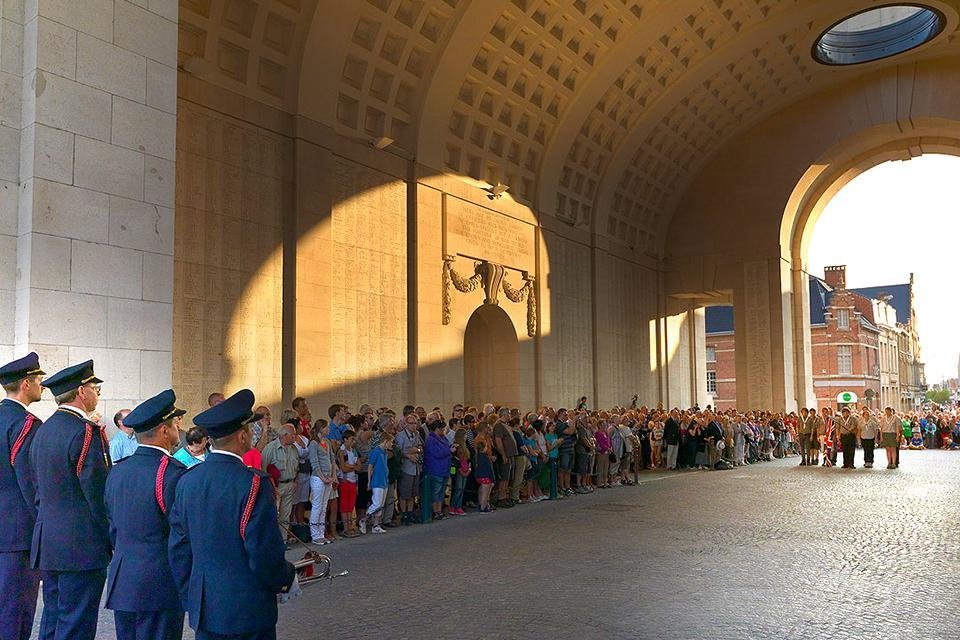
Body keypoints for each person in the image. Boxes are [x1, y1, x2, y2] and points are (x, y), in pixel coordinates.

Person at [169, 389, 297, 640]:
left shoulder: (187, 480)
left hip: (205, 605)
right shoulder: (253, 483)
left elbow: (178, 549)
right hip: (248, 607)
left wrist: (192, 594)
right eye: (248, 431)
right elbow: (263, 551)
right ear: (242, 436)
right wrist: (284, 579)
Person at [30, 360, 111, 640]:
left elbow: (36, 489)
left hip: (49, 541)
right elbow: (97, 494)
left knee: (53, 620)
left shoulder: (43, 430)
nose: (97, 392)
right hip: (81, 545)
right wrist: (110, 535)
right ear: (81, 391)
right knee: (76, 624)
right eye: (94, 387)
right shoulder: (85, 432)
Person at [103, 389, 188, 640]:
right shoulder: (172, 473)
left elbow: (112, 525)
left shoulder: (118, 471)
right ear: (164, 430)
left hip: (123, 579)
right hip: (159, 583)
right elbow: (181, 535)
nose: (177, 431)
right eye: (174, 425)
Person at [0, 352, 45, 640]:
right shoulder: (26, 424)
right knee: (15, 612)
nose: (42, 385)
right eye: (39, 379)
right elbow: (31, 483)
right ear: (26, 384)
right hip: (18, 533)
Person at [261, 423, 299, 537]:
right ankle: (272, 541)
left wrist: (295, 481)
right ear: (284, 435)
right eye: (293, 434)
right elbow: (263, 469)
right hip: (276, 487)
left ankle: (283, 540)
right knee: (273, 515)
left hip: (289, 484)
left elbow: (296, 467)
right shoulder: (270, 448)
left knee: (285, 515)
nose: (295, 437)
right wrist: (270, 487)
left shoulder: (293, 449)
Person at [307, 419, 336, 544]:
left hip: (328, 477)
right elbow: (314, 462)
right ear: (321, 429)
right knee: (317, 506)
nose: (328, 430)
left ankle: (321, 532)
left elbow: (332, 459)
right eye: (326, 427)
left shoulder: (327, 442)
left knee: (324, 506)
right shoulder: (314, 443)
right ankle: (315, 534)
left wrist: (333, 475)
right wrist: (323, 477)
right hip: (318, 478)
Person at [359, 431, 392, 534]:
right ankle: (363, 520)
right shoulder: (376, 451)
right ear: (385, 441)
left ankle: (376, 525)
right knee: (376, 503)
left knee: (381, 504)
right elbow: (370, 466)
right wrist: (369, 481)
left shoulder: (384, 453)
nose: (391, 444)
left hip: (384, 480)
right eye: (390, 442)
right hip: (377, 481)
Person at [424, 417, 452, 520]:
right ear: (437, 429)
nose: (444, 431)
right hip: (435, 469)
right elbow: (437, 453)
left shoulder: (443, 438)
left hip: (444, 468)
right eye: (442, 429)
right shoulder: (431, 440)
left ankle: (439, 510)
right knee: (436, 492)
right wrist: (449, 451)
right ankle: (435, 511)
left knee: (441, 492)